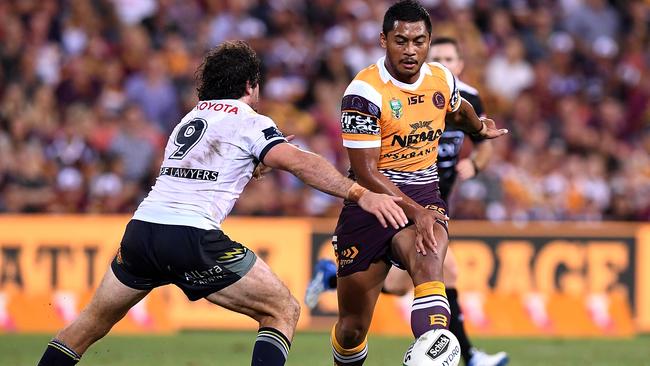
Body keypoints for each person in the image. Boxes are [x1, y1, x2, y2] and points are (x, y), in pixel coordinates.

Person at [36, 40, 408, 366]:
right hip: (190, 236)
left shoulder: (189, 119)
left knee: (88, 325)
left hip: (141, 232)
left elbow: (200, 170)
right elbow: (296, 162)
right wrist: (359, 192)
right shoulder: (249, 120)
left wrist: (254, 165)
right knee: (283, 310)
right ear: (250, 85)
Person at [321, 2, 507, 365]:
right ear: (383, 40)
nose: (410, 50)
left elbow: (458, 109)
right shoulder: (363, 93)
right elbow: (366, 174)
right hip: (372, 203)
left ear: (429, 42)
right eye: (400, 41)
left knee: (430, 255)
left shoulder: (441, 78)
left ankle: (434, 348)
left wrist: (479, 127)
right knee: (352, 329)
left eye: (419, 41)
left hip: (424, 191)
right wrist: (415, 212)